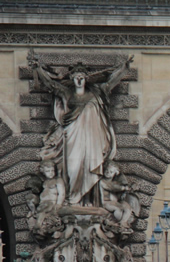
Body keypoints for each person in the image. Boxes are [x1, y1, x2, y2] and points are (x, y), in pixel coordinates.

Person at [32, 55, 132, 208]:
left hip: (93, 139)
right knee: (72, 168)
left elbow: (111, 82)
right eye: (76, 77)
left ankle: (89, 202)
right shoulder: (67, 93)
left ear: (85, 79)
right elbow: (51, 84)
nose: (79, 80)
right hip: (73, 137)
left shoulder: (97, 93)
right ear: (72, 79)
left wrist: (124, 68)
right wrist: (38, 69)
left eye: (81, 77)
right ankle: (73, 200)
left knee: (91, 169)